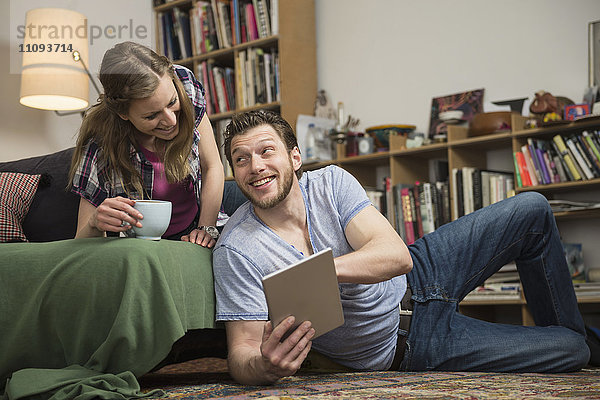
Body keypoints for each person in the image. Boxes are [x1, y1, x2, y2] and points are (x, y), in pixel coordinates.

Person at [212, 110, 591, 385]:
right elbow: (241, 351)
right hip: (409, 344)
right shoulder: (237, 249)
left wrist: (315, 276)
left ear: (294, 157)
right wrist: (264, 366)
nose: (255, 166)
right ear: (234, 173)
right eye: (241, 160)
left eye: (266, 151)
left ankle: (573, 338)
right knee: (572, 349)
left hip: (425, 272)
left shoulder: (329, 183)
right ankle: (579, 343)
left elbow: (396, 256)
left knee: (533, 208)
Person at [68, 41, 224, 247]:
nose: (171, 121)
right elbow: (80, 243)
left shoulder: (184, 84)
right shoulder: (100, 143)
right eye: (152, 116)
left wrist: (205, 229)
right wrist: (95, 223)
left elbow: (212, 165)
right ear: (123, 114)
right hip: (139, 247)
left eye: (172, 102)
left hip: (198, 227)